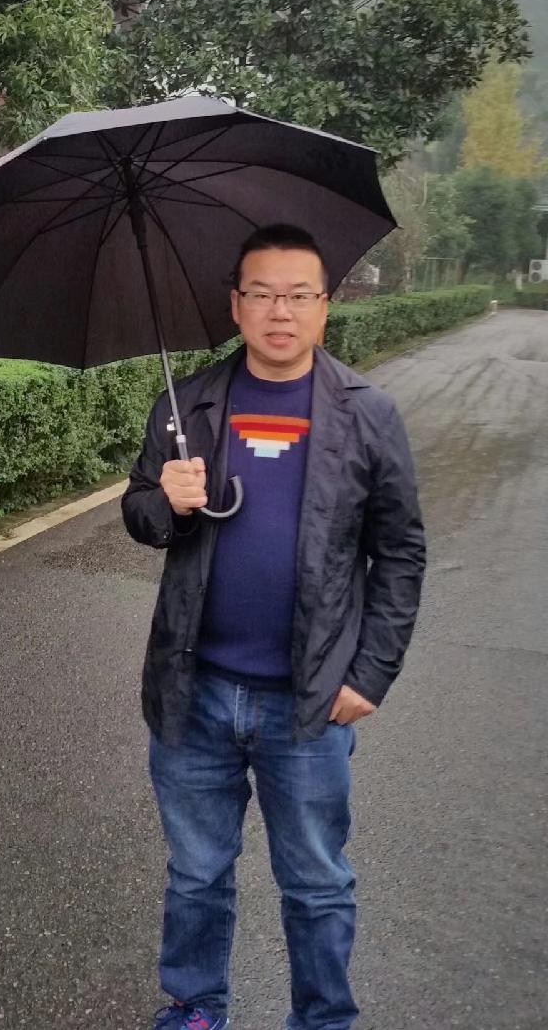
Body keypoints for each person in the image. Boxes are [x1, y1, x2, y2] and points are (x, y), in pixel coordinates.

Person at [122, 223, 427, 1030]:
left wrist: (371, 671)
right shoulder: (187, 405)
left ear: (326, 304)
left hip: (310, 701)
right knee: (196, 873)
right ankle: (195, 1007)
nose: (279, 311)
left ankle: (323, 1019)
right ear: (236, 304)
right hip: (194, 691)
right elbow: (140, 512)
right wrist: (166, 500)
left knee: (317, 882)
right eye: (261, 293)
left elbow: (401, 551)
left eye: (298, 294)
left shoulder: (367, 414)